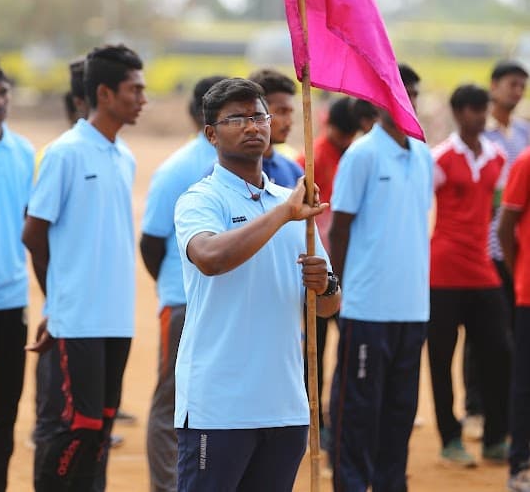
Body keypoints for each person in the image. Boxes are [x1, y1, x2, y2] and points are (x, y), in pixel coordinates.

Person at [174, 77, 340, 491]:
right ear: (211, 133)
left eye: (259, 116)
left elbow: (327, 306)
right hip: (219, 406)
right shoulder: (202, 199)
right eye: (237, 119)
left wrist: (326, 285)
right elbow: (210, 258)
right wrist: (283, 214)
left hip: (285, 405)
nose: (252, 126)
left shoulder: (294, 204)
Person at [22, 44, 146, 491]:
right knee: (80, 426)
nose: (143, 99)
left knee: (102, 427)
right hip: (79, 322)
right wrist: (60, 302)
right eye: (134, 89)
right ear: (105, 93)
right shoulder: (66, 152)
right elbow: (33, 234)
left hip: (117, 320)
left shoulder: (124, 156)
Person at [329, 63, 433, 492]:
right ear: (376, 99)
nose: (404, 98)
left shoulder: (423, 153)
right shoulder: (363, 154)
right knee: (358, 409)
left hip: (413, 307)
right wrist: (339, 292)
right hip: (367, 307)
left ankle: (391, 483)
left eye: (410, 92)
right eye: (395, 91)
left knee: (400, 408)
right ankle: (351, 484)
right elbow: (340, 228)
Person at [140, 75, 225, 492]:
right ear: (205, 118)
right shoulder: (177, 169)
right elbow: (151, 242)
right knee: (172, 403)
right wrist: (175, 287)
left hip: (220, 304)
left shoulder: (250, 169)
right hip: (184, 304)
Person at [428, 84, 511, 467]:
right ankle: (450, 439)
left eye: (484, 109)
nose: (481, 116)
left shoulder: (496, 157)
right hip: (443, 271)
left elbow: (498, 211)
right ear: (459, 113)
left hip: (482, 269)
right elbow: (420, 209)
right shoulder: (439, 158)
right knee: (441, 360)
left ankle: (496, 437)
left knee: (499, 355)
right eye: (474, 109)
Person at [464, 60, 529, 440]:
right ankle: (475, 407)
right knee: (481, 332)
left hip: (519, 250)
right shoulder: (481, 135)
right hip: (487, 244)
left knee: (512, 333)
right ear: (493, 86)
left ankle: (504, 409)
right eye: (511, 84)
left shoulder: (524, 134)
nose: (517, 92)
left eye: (522, 86)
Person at [296, 96, 361, 448]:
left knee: (348, 347)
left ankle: (340, 416)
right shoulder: (312, 156)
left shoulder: (348, 153)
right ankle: (314, 421)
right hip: (319, 266)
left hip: (346, 267)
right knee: (314, 351)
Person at [0, 58, 35, 491]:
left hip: (10, 301)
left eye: (3, 94)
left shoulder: (23, 152)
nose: (0, 103)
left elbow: (29, 221)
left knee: (4, 413)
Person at [499, 147, 530, 491]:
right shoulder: (525, 162)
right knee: (525, 382)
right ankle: (519, 463)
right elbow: (505, 227)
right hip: (529, 292)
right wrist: (518, 273)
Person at [248, 68, 304, 186]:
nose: (289, 122)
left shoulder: (294, 171)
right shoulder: (230, 172)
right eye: (282, 111)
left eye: (290, 113)